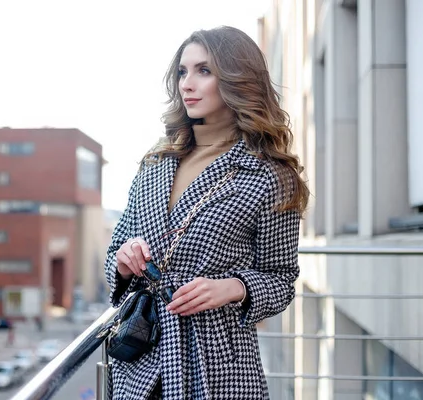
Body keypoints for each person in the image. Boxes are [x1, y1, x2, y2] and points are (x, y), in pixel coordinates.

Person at [104, 25, 309, 400]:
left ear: (235, 79)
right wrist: (123, 259)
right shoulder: (155, 162)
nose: (187, 83)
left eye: (203, 70)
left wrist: (233, 288)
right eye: (182, 72)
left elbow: (281, 280)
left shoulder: (269, 176)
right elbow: (114, 250)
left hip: (218, 365)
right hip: (141, 358)